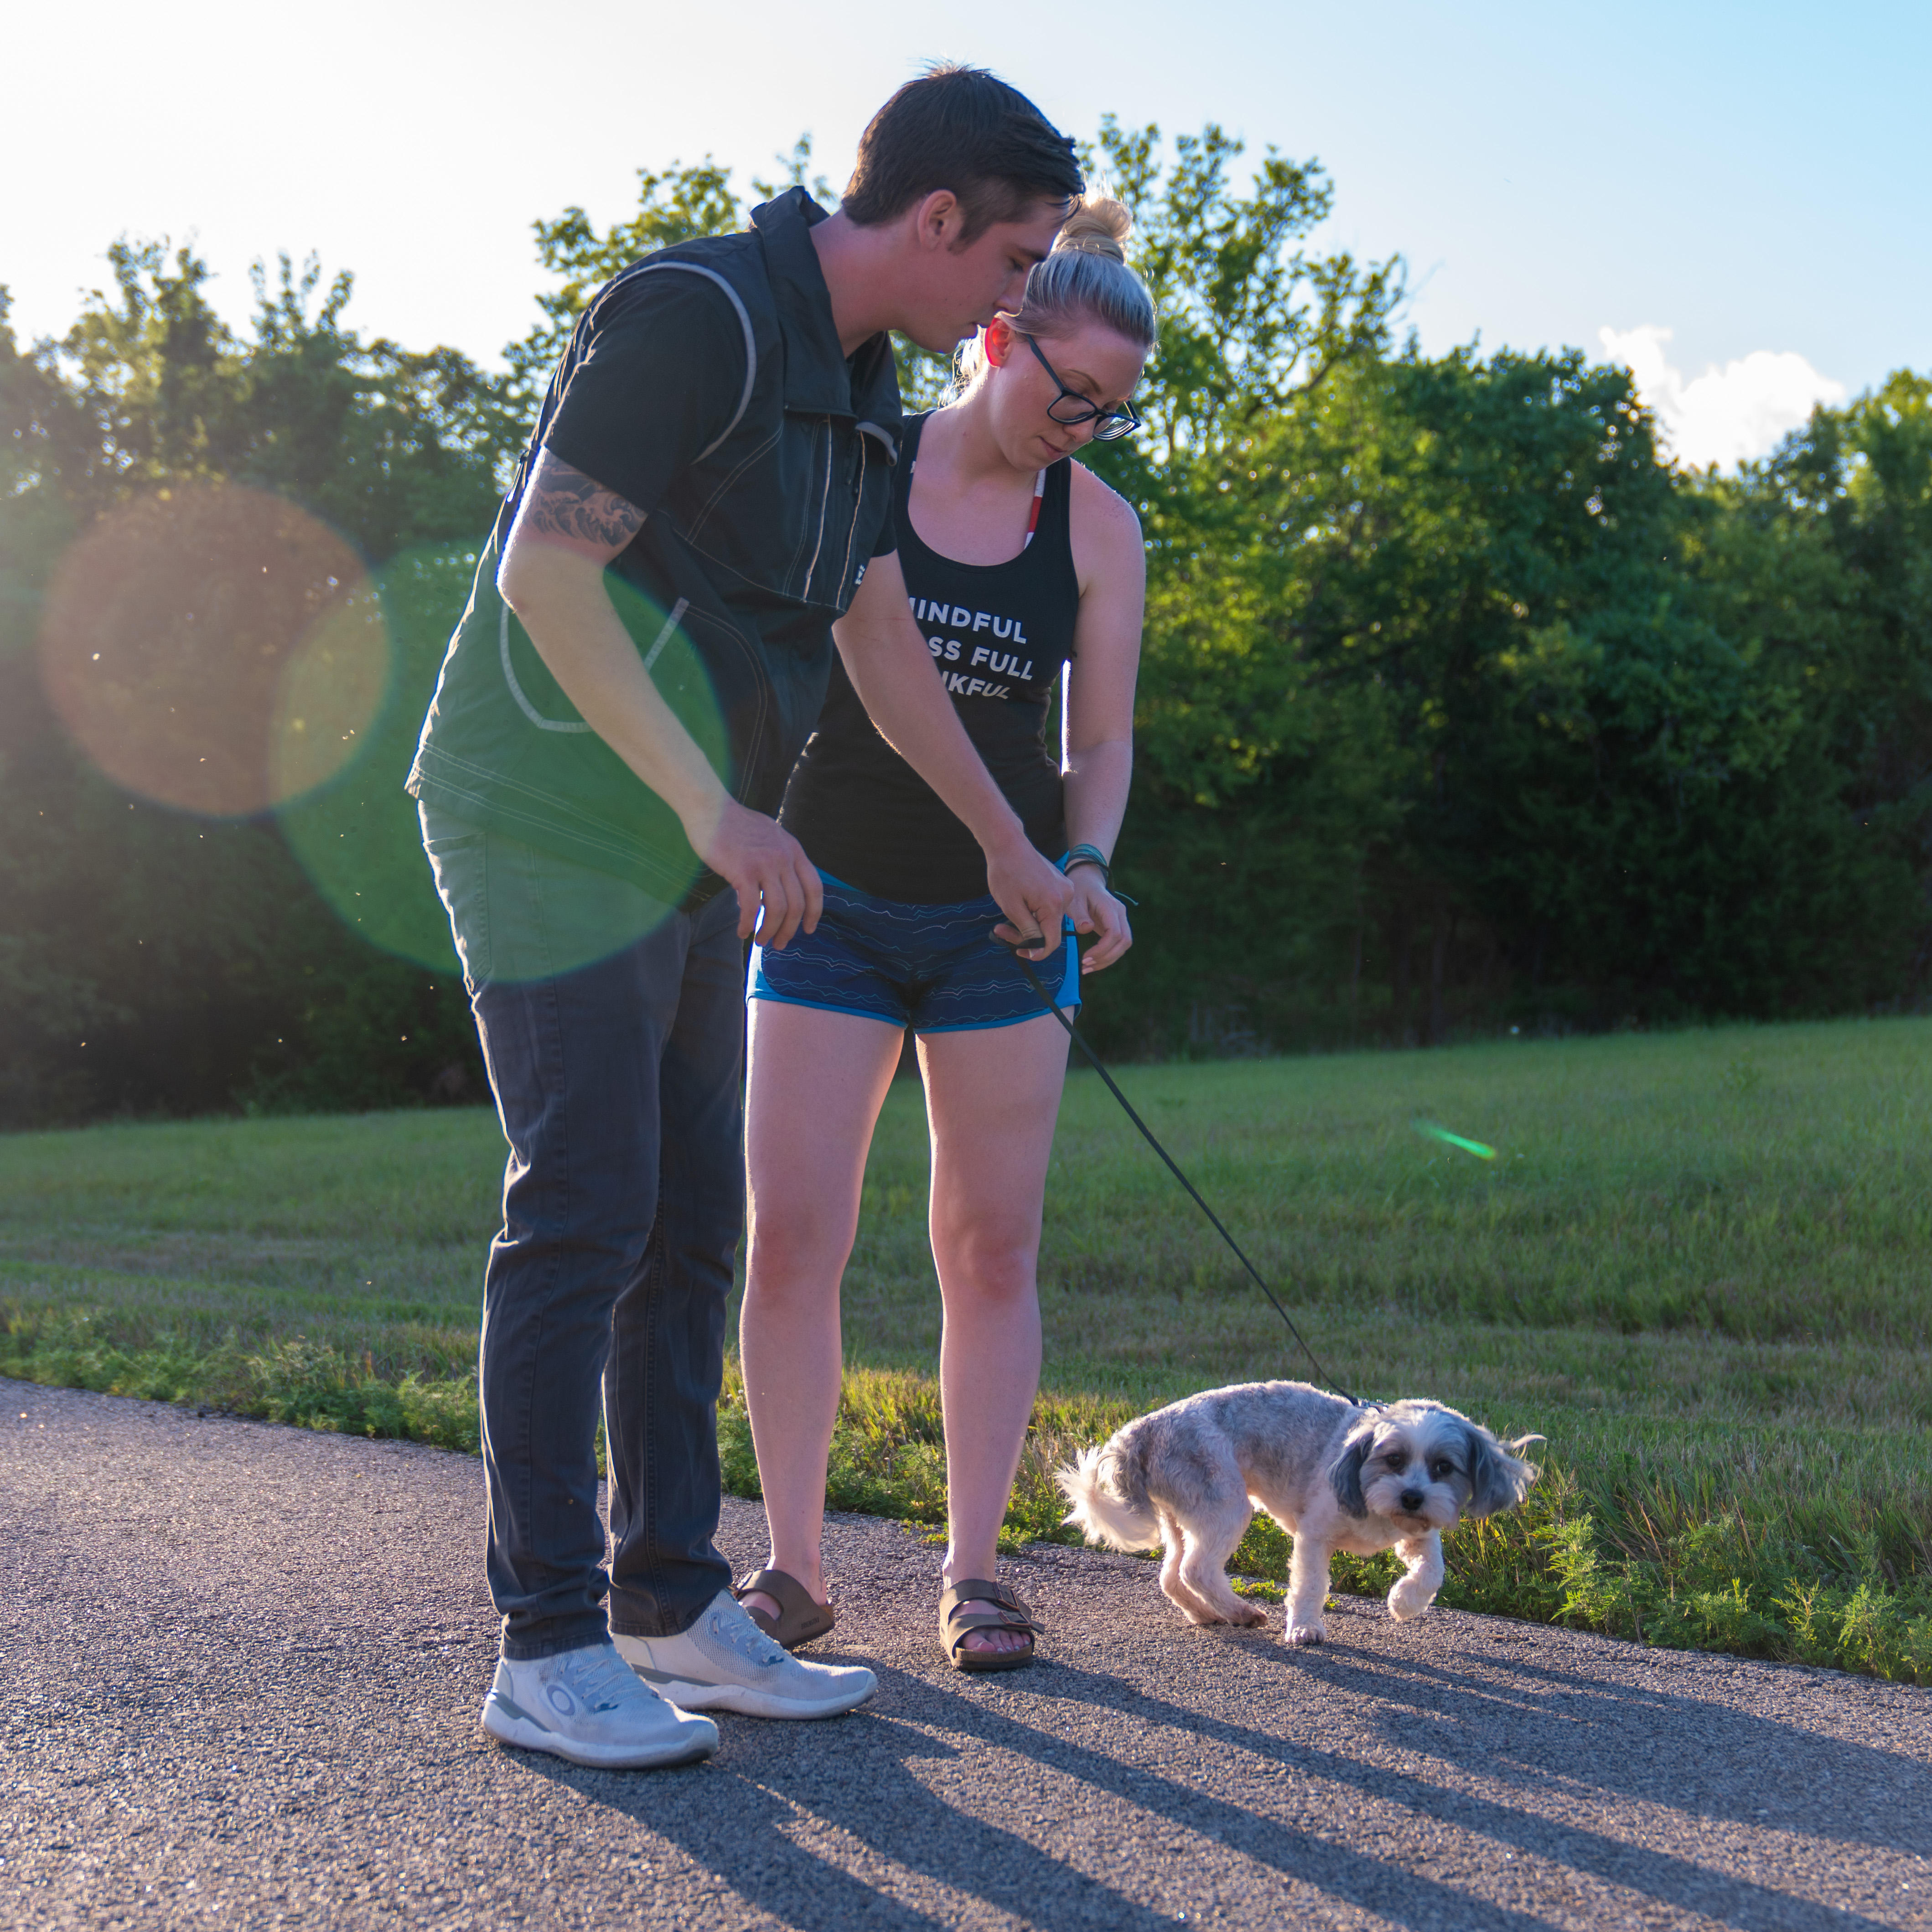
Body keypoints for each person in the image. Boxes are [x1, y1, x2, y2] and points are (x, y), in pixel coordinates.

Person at [406, 67, 1086, 1769]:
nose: (1016, 303)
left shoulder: (857, 384)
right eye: (1011, 262)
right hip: (549, 807)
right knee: (588, 1204)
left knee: (697, 1216)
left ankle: (664, 1605)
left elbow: (873, 632)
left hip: (702, 843)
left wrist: (1010, 842)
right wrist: (713, 806)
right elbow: (545, 574)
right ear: (933, 220)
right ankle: (545, 1644)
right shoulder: (698, 311)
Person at [736, 200, 1155, 1672]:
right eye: (1067, 391)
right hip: (829, 903)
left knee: (992, 1251)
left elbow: (1096, 739)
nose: (1081, 426)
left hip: (1004, 933)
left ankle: (976, 1574)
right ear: (998, 335)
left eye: (1109, 411)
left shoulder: (1100, 530)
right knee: (792, 1242)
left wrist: (1085, 862)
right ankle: (791, 1571)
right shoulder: (868, 459)